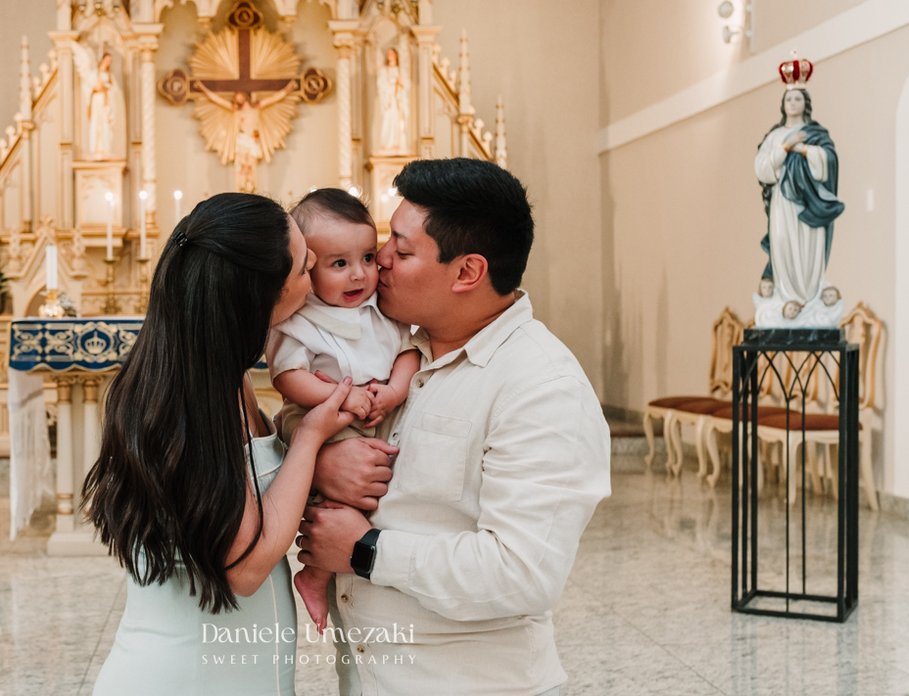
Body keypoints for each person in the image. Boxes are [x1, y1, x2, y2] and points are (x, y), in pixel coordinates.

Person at [296, 158, 612, 696]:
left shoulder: (542, 385)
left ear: (468, 272)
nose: (380, 264)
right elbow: (300, 412)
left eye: (400, 248)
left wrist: (366, 549)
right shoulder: (395, 348)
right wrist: (320, 458)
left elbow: (522, 573)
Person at [83, 192, 357, 694]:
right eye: (302, 265)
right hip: (191, 674)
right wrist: (311, 437)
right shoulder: (194, 396)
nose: (315, 263)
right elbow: (246, 567)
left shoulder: (219, 374)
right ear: (263, 297)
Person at [265, 188, 420, 633]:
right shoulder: (299, 319)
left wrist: (393, 390)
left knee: (372, 480)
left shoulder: (383, 311)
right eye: (339, 264)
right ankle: (314, 572)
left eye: (368, 258)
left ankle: (344, 559)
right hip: (318, 413)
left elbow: (412, 351)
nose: (359, 276)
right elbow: (287, 376)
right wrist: (339, 398)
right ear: (307, 267)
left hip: (374, 410)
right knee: (344, 487)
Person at [754, 87, 844, 323]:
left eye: (798, 99)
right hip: (783, 205)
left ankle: (810, 297)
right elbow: (763, 168)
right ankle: (787, 297)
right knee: (783, 243)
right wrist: (785, 146)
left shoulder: (815, 133)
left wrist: (803, 148)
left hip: (809, 203)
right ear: (782, 104)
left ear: (806, 103)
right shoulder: (775, 136)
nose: (793, 103)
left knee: (808, 245)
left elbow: (829, 161)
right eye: (788, 99)